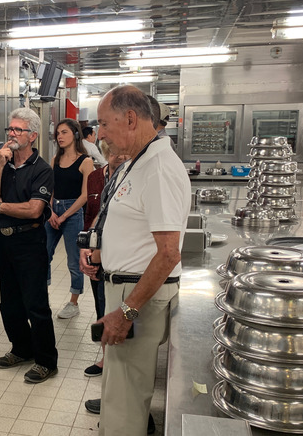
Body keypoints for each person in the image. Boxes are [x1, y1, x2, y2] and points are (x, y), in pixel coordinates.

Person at [80, 86, 190, 436]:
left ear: (130, 118)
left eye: (103, 124)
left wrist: (126, 312)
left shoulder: (158, 167)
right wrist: (101, 250)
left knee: (126, 400)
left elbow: (169, 252)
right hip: (126, 288)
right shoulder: (139, 161)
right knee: (119, 392)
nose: (101, 135)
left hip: (136, 296)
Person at [0, 107, 58, 384]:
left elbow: (34, 210)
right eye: (10, 129)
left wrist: (1, 206)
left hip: (29, 241)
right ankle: (21, 349)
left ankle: (46, 361)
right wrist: (0, 166)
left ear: (33, 136)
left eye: (18, 130)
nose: (12, 134)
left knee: (35, 304)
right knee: (9, 303)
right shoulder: (1, 164)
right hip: (2, 240)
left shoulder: (42, 170)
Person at [82, 141, 130, 377]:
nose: (119, 155)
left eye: (123, 151)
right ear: (105, 153)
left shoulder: (132, 177)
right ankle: (106, 357)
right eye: (113, 151)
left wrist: (99, 254)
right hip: (95, 250)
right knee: (101, 304)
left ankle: (111, 362)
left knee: (116, 308)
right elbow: (92, 214)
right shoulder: (94, 178)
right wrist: (85, 248)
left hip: (116, 257)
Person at [46, 118, 94, 320]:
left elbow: (85, 195)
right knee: (43, 254)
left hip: (73, 213)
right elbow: (50, 188)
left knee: (74, 261)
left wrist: (64, 215)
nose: (60, 136)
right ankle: (42, 296)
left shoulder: (86, 161)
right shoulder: (55, 159)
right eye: (58, 133)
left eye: (64, 132)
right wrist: (50, 212)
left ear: (75, 134)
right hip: (53, 211)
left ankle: (73, 302)